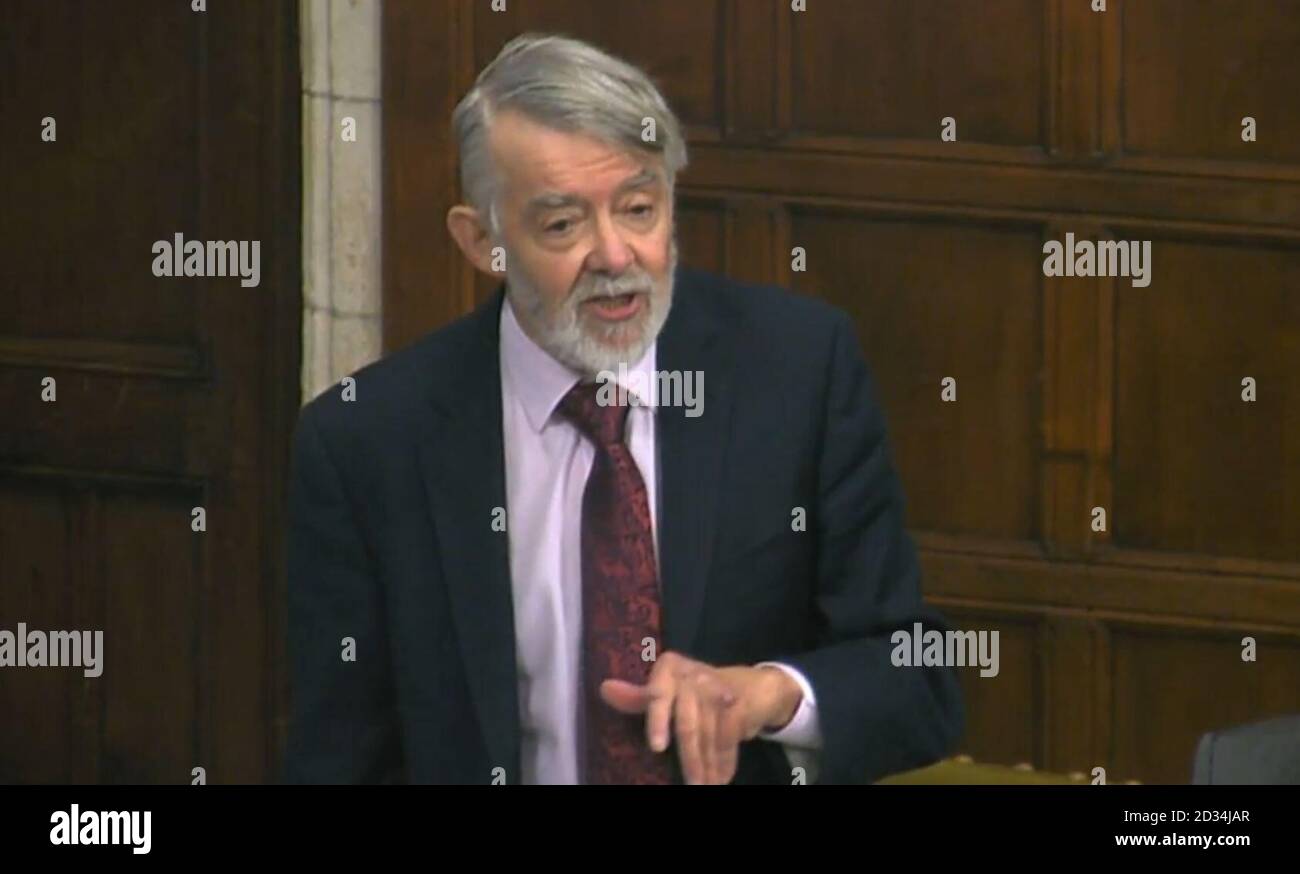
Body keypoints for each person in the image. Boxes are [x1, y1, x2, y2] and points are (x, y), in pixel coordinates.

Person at [283, 33, 963, 785]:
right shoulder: (369, 441)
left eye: (639, 208)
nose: (615, 256)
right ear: (482, 241)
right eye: (563, 225)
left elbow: (916, 679)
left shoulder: (797, 374)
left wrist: (770, 695)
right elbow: (339, 757)